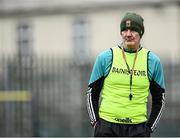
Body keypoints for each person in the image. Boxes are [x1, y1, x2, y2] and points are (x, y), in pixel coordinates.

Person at [86, 12, 165, 137]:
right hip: (107, 128)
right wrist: (96, 123)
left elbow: (159, 100)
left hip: (138, 129)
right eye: (125, 30)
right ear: (121, 33)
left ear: (141, 33)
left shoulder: (152, 61)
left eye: (133, 30)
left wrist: (149, 128)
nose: (128, 34)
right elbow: (92, 94)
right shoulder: (106, 57)